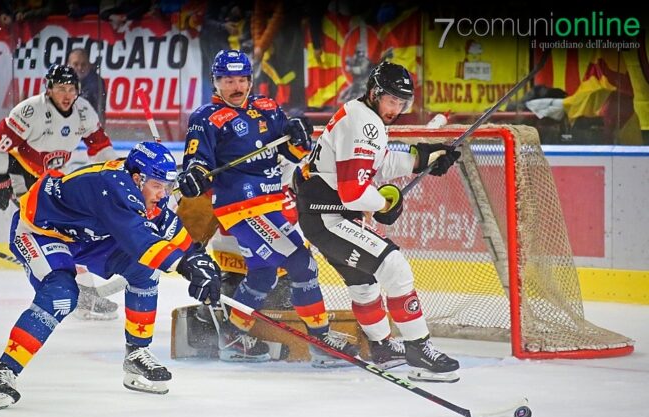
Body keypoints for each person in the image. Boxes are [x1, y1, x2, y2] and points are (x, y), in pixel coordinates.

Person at [0, 142, 221, 409]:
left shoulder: (142, 193)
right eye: (158, 186)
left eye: (168, 187)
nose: (164, 193)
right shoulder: (112, 187)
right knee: (61, 296)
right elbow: (141, 242)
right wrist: (186, 266)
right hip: (41, 231)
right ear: (138, 179)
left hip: (88, 238)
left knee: (144, 271)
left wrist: (200, 260)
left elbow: (170, 229)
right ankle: (0, 375)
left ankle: (136, 354)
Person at [178, 49, 357, 366]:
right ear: (216, 82)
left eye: (241, 80)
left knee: (263, 275)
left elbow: (291, 150)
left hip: (272, 203)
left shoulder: (267, 107)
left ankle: (234, 337)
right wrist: (194, 176)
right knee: (303, 263)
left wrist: (299, 135)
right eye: (228, 80)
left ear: (250, 80)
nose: (236, 87)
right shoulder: (205, 118)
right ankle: (321, 340)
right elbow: (196, 162)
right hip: (241, 208)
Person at [293, 61, 462, 383]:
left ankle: (382, 347)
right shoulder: (365, 123)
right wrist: (386, 202)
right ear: (374, 93)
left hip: (323, 213)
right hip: (329, 215)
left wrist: (421, 159)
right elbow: (354, 192)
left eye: (401, 103)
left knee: (364, 283)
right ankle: (418, 349)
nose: (395, 109)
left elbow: (378, 163)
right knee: (394, 267)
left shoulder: (362, 115)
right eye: (391, 101)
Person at [0, 63, 119, 320]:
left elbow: (100, 147)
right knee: (56, 229)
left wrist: (116, 174)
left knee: (69, 229)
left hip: (52, 178)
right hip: (20, 174)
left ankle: (81, 292)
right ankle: (69, 289)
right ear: (48, 89)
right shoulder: (30, 110)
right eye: (60, 89)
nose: (67, 95)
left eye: (71, 88)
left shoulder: (82, 111)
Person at [67, 48, 107, 125]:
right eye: (75, 64)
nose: (79, 68)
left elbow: (100, 112)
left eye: (83, 64)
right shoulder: (60, 81)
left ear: (88, 65)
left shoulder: (96, 83)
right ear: (68, 65)